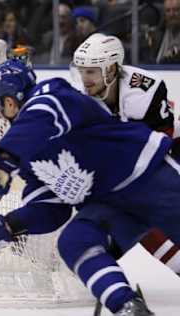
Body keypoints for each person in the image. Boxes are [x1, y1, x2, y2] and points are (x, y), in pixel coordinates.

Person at [0, 59, 180, 315]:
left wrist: (4, 158)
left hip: (149, 179)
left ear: (9, 101)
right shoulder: (26, 153)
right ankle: (128, 307)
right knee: (75, 241)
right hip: (109, 205)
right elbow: (51, 210)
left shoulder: (53, 94)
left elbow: (42, 115)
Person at [72, 32, 180, 276]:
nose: (84, 79)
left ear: (110, 70)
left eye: (91, 71)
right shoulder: (84, 101)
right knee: (135, 211)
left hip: (171, 148)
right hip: (139, 159)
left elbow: (161, 143)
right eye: (82, 71)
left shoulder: (143, 90)